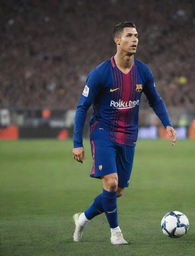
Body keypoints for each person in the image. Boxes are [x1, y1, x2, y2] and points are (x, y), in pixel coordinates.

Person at [72, 22, 176, 245]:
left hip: (129, 135)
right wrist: (76, 142)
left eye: (137, 35)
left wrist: (167, 123)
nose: (135, 39)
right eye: (129, 35)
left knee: (117, 191)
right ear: (117, 41)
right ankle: (115, 233)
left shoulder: (143, 71)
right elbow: (82, 107)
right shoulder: (100, 73)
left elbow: (156, 100)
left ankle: (83, 218)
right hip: (103, 131)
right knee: (110, 183)